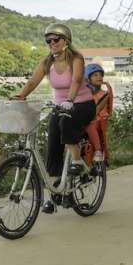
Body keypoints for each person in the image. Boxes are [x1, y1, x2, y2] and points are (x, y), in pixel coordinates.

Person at [13, 23, 96, 213]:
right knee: (52, 142)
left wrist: (70, 100)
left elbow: (75, 81)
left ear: (66, 41)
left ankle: (76, 162)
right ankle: (55, 193)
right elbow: (33, 81)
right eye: (48, 40)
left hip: (82, 104)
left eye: (55, 39)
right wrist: (20, 96)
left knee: (66, 122)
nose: (51, 43)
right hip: (61, 106)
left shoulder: (76, 58)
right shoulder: (47, 62)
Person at [83, 63, 113, 166]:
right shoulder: (84, 93)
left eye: (100, 75)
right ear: (88, 78)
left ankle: (98, 150)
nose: (99, 77)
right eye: (95, 75)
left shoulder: (104, 94)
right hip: (86, 117)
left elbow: (100, 110)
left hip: (98, 119)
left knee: (89, 123)